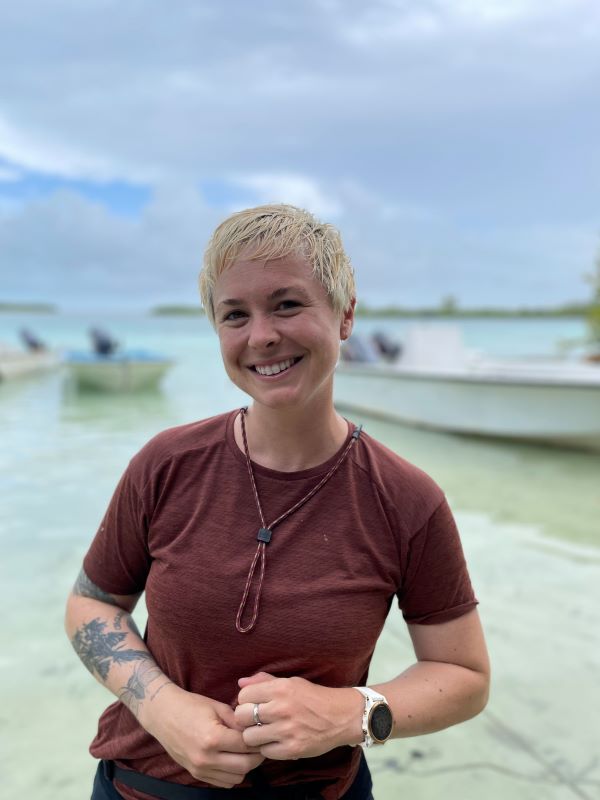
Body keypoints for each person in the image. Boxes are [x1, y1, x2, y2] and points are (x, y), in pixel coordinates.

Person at [65, 204, 490, 800]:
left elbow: (464, 675)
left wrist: (352, 714)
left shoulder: (405, 499)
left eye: (287, 304)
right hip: (141, 786)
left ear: (345, 316)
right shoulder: (166, 464)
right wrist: (163, 710)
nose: (261, 335)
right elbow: (93, 604)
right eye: (234, 314)